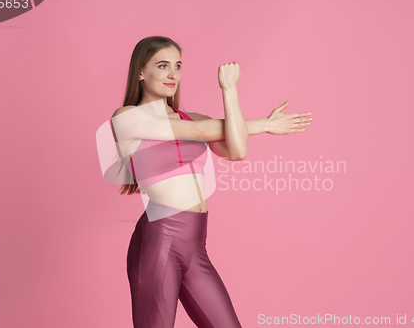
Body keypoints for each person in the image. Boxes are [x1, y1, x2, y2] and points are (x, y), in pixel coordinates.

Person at [109, 36, 312, 328]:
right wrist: (263, 124)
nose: (172, 74)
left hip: (195, 241)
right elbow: (204, 130)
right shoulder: (127, 118)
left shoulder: (189, 117)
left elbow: (236, 150)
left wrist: (231, 92)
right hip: (160, 238)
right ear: (140, 72)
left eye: (177, 66)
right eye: (163, 65)